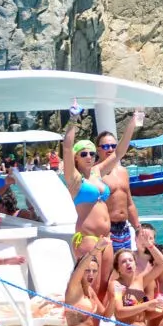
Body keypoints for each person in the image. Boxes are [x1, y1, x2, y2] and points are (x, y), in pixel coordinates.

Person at [65, 238, 159, 326]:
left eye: (94, 271)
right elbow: (79, 269)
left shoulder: (90, 293)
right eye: (87, 270)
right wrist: (97, 249)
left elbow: (106, 316)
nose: (91, 274)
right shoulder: (73, 290)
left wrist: (114, 298)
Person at [62, 124, 113, 301]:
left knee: (104, 287)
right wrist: (73, 121)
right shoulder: (74, 179)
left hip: (106, 238)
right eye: (83, 153)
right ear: (76, 158)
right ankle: (88, 325)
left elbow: (119, 152)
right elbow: (66, 147)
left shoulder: (96, 173)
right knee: (91, 287)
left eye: (91, 153)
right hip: (88, 237)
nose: (89, 156)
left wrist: (132, 123)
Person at [95, 111, 144, 253]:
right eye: (105, 147)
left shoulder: (123, 172)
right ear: (98, 150)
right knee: (108, 271)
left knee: (125, 269)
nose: (110, 149)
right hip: (106, 230)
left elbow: (129, 203)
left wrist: (138, 228)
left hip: (124, 229)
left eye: (113, 146)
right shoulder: (95, 173)